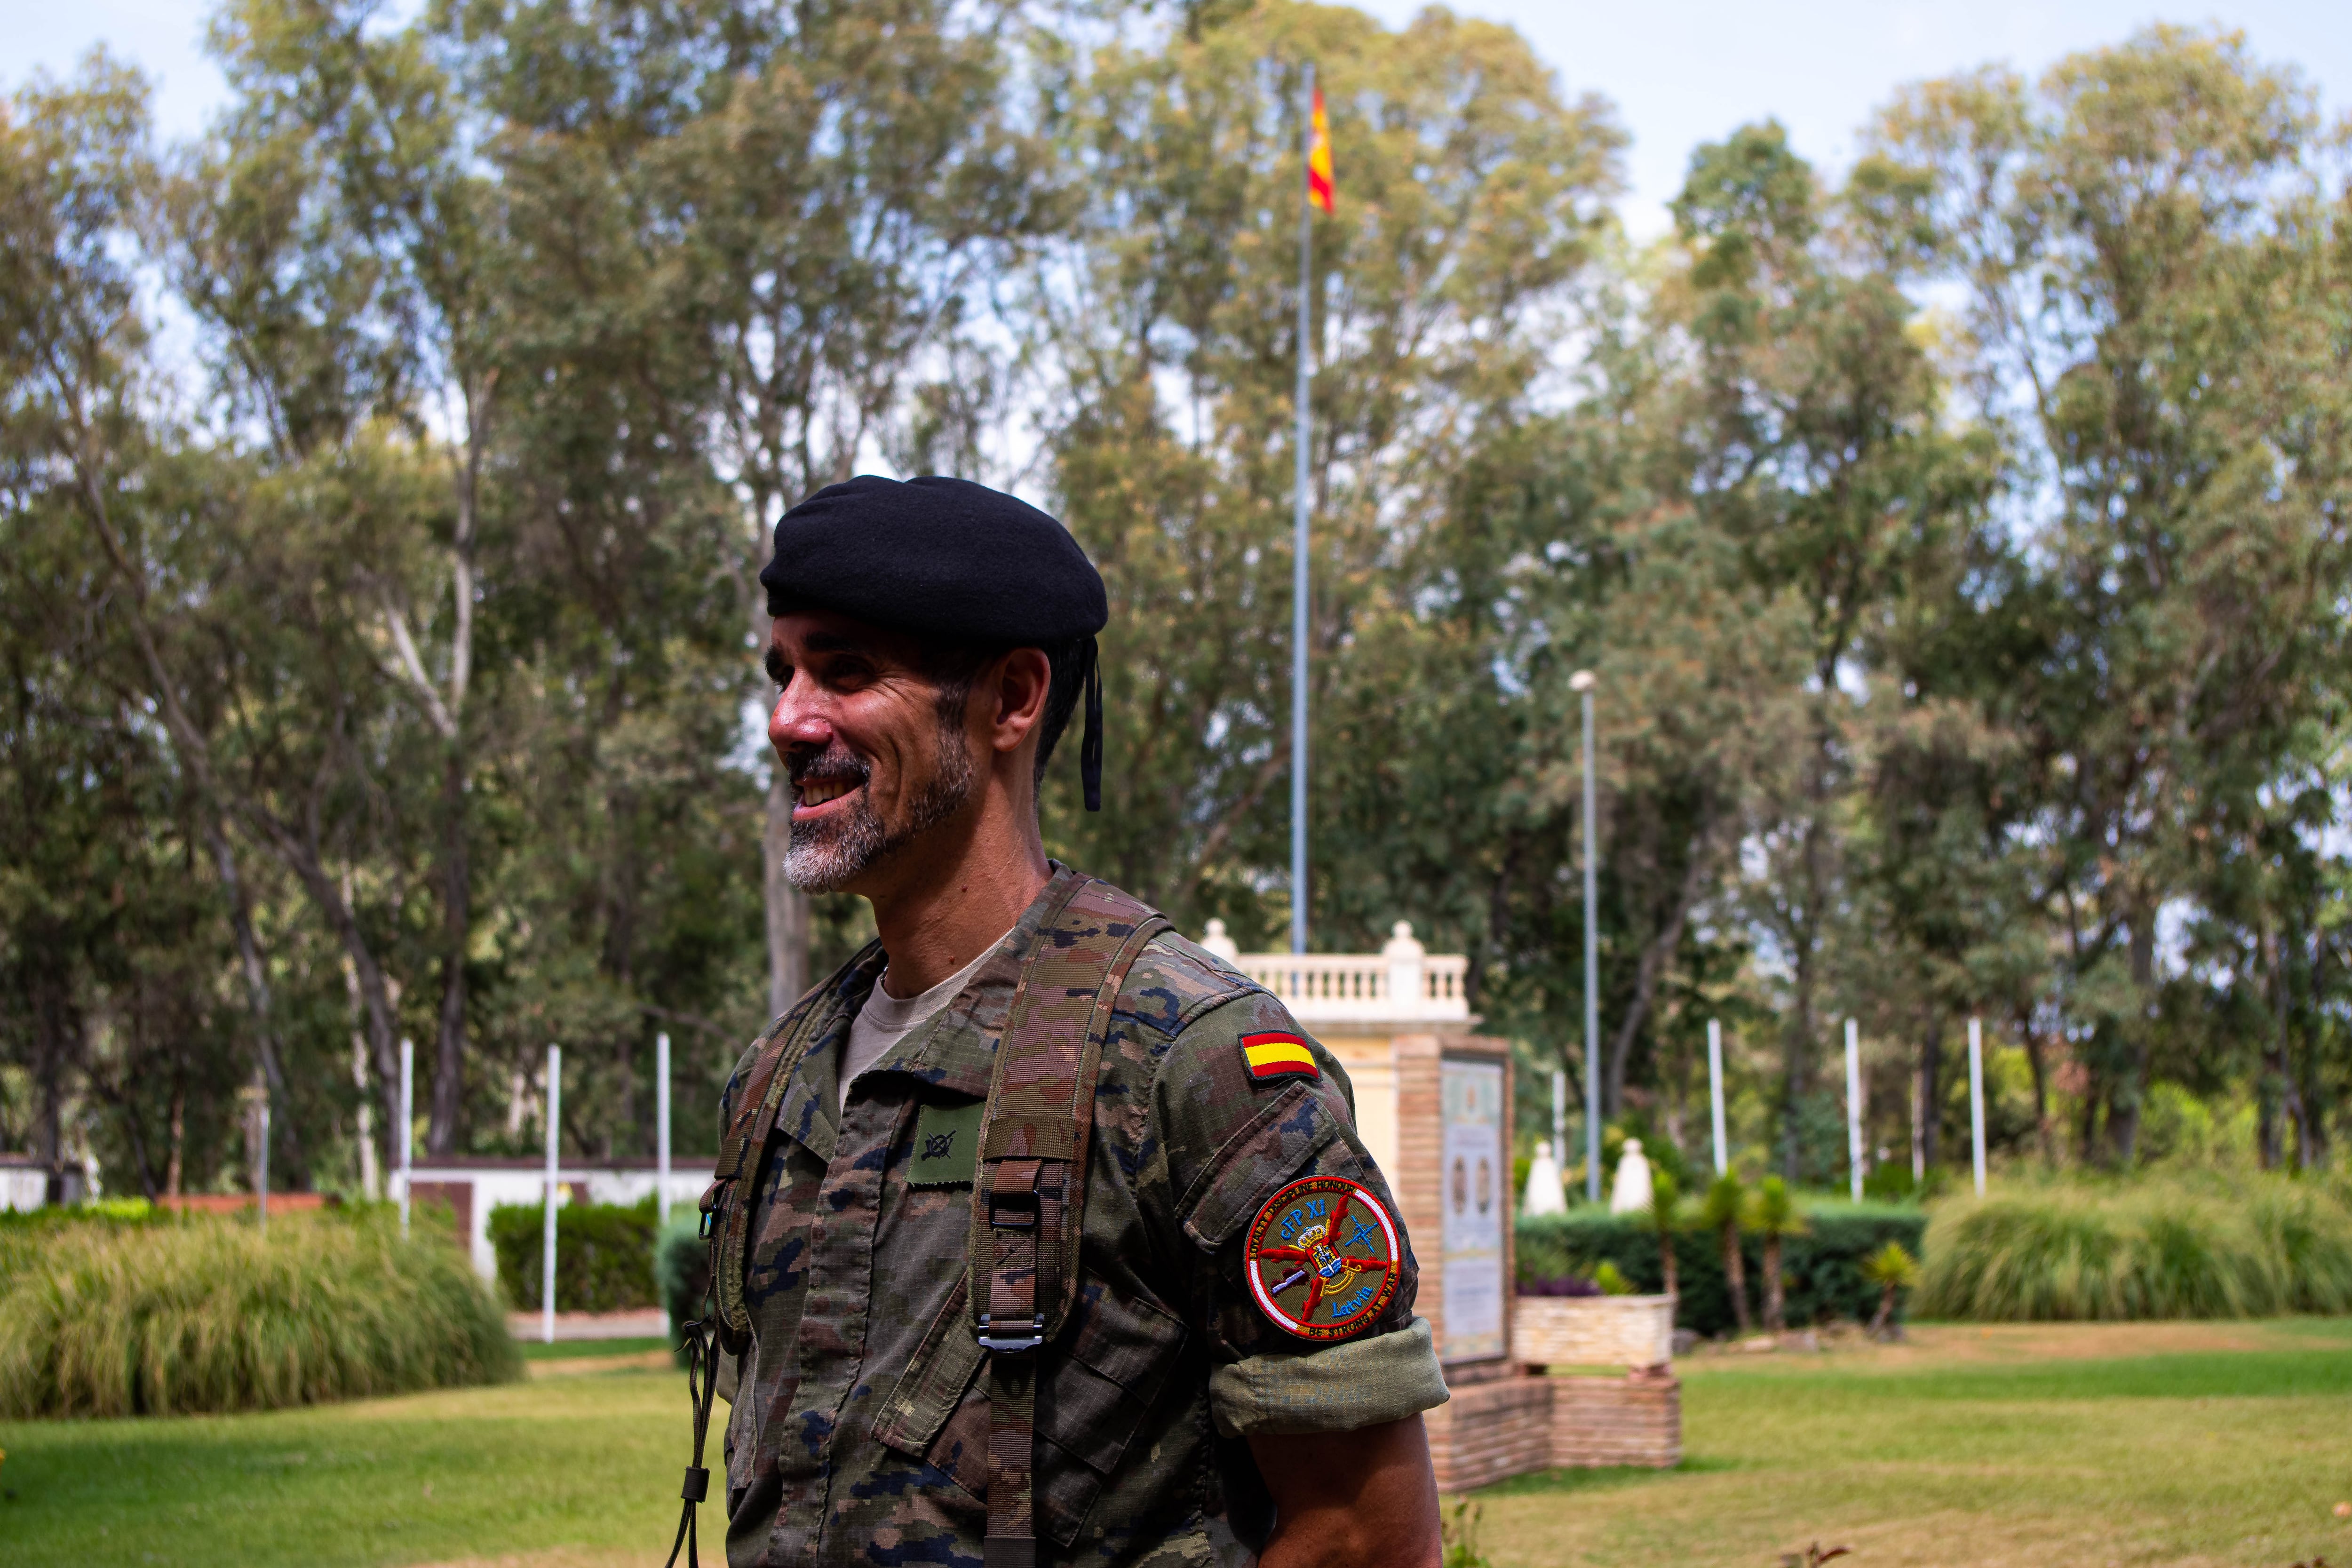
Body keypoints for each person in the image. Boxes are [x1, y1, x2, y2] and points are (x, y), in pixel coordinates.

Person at [699, 475, 1448, 1568]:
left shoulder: (1190, 1062)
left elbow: (1367, 1533)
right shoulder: (784, 1077)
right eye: (784, 672)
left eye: (846, 669)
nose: (789, 718)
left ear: (1011, 699)